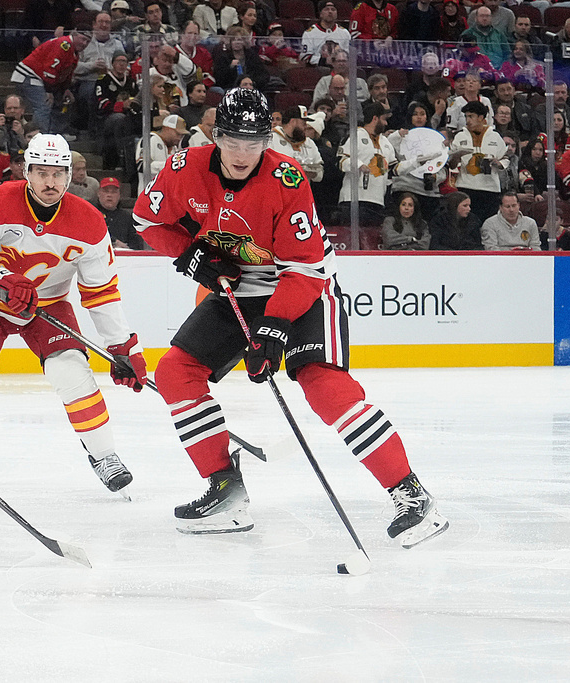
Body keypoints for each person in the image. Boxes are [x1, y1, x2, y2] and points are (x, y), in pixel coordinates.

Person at [132, 87, 449, 547]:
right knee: (176, 372)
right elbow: (147, 220)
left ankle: (411, 493)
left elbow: (303, 269)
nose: (243, 153)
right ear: (216, 136)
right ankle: (224, 490)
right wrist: (190, 255)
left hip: (302, 285)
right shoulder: (185, 167)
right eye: (234, 141)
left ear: (267, 141)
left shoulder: (287, 177)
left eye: (254, 141)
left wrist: (274, 328)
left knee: (321, 382)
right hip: (238, 287)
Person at [0, 133, 144, 499]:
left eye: (58, 173)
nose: (50, 182)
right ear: (26, 172)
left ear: (70, 175)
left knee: (72, 371)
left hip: (47, 302)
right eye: (41, 172)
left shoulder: (90, 222)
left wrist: (122, 344)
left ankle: (104, 454)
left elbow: (101, 291)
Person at [11, 32, 90, 134]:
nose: (84, 43)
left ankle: (53, 133)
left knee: (59, 102)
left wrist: (65, 89)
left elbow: (66, 73)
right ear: (74, 34)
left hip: (39, 77)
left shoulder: (73, 52)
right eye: (83, 39)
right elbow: (50, 68)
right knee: (43, 107)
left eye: (88, 41)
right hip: (29, 74)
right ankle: (39, 137)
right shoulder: (64, 45)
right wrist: (49, 90)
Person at [337, 102, 395, 227]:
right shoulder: (354, 136)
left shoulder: (386, 142)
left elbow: (395, 169)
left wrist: (416, 163)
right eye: (384, 119)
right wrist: (359, 165)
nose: (386, 123)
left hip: (377, 201)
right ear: (375, 118)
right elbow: (341, 161)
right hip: (353, 199)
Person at [450, 100, 507, 224]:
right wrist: (455, 158)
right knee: (465, 223)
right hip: (466, 186)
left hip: (490, 189)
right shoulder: (460, 136)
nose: (467, 120)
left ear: (481, 117)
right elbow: (451, 165)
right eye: (466, 116)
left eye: (471, 116)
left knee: (488, 223)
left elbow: (506, 157)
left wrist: (499, 163)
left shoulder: (495, 136)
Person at [270, 106, 324, 183]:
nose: (306, 126)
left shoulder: (309, 143)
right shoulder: (271, 140)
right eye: (303, 123)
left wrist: (309, 173)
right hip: (277, 190)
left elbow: (320, 174)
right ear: (293, 122)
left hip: (302, 191)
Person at [94, 176, 144, 249]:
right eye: (106, 191)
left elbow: (136, 242)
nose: (109, 195)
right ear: (98, 193)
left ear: (119, 195)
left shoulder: (126, 217)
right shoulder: (91, 213)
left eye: (114, 192)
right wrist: (113, 241)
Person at [301, 1, 351, 65]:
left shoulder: (344, 33)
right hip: (318, 69)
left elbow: (350, 56)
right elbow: (305, 57)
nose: (330, 12)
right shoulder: (310, 33)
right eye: (326, 9)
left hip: (341, 68)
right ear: (320, 14)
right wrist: (324, 61)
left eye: (333, 9)